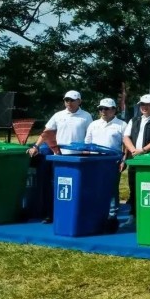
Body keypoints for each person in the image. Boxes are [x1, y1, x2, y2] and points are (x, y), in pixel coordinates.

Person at [27, 89, 93, 223]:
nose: (69, 103)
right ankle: (51, 214)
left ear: (79, 101)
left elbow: (90, 135)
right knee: (55, 185)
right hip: (58, 155)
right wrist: (36, 146)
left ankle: (75, 214)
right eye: (66, 100)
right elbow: (47, 133)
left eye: (72, 100)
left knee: (76, 186)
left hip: (77, 156)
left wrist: (88, 151)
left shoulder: (86, 116)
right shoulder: (58, 115)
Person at [121, 94, 150, 227]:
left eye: (147, 104)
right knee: (133, 188)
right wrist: (133, 150)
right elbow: (126, 137)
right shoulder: (134, 120)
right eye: (142, 104)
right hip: (135, 160)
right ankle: (133, 215)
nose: (144, 107)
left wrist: (144, 150)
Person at [85, 98, 127, 220]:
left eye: (106, 109)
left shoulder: (122, 125)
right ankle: (96, 212)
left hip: (112, 161)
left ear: (114, 110)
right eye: (101, 108)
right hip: (94, 161)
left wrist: (123, 160)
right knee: (95, 187)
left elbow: (126, 146)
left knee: (111, 188)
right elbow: (87, 144)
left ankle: (112, 215)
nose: (103, 111)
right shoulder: (93, 124)